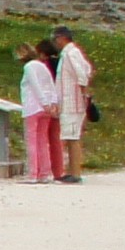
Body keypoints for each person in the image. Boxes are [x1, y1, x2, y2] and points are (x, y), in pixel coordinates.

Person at [19, 39, 65, 183]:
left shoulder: (29, 67)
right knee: (43, 140)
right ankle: (45, 173)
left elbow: (35, 85)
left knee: (32, 140)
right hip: (47, 109)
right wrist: (52, 103)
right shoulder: (43, 67)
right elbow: (50, 85)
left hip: (33, 107)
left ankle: (33, 173)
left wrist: (44, 103)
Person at [54, 31, 95, 176]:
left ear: (62, 38)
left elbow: (81, 74)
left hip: (72, 102)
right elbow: (87, 69)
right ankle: (72, 171)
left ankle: (75, 173)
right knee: (70, 136)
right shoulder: (74, 52)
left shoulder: (70, 54)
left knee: (73, 138)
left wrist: (83, 92)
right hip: (72, 102)